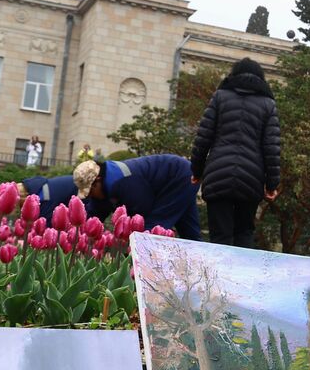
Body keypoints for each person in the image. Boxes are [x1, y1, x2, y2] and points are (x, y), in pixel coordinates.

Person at [190, 57, 281, 247]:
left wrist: (196, 171)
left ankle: (216, 277)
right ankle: (241, 277)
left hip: (218, 174)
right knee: (244, 234)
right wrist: (272, 184)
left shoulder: (220, 96)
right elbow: (271, 148)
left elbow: (203, 138)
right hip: (251, 178)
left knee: (219, 238)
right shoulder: (268, 104)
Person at [73, 154, 200, 240]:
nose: (90, 196)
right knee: (191, 234)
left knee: (151, 231)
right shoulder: (104, 185)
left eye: (89, 192)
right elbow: (95, 213)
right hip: (182, 175)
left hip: (178, 177)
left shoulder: (124, 182)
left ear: (97, 181)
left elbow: (142, 214)